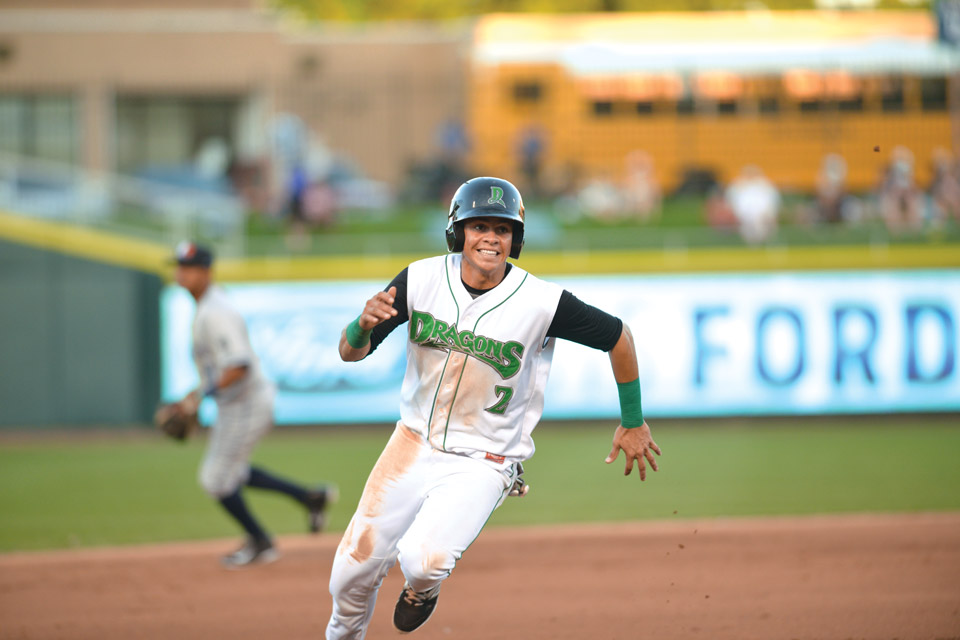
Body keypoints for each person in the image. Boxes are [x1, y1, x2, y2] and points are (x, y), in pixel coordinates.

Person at [326, 177, 660, 638]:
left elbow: (619, 337)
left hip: (485, 458)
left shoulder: (543, 302)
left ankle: (422, 591)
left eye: (501, 230)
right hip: (411, 442)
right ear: (457, 231)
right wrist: (360, 327)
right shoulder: (420, 278)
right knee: (348, 575)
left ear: (515, 239)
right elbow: (350, 352)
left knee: (424, 563)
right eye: (478, 225)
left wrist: (632, 419)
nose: (490, 238)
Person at [170, 241, 337, 568]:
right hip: (238, 403)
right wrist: (195, 394)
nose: (182, 274)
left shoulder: (215, 311)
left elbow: (238, 365)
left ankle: (261, 542)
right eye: (179, 267)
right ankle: (309, 497)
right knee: (230, 471)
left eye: (189, 268)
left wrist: (200, 398)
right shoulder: (207, 306)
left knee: (216, 479)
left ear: (206, 272)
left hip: (246, 403)